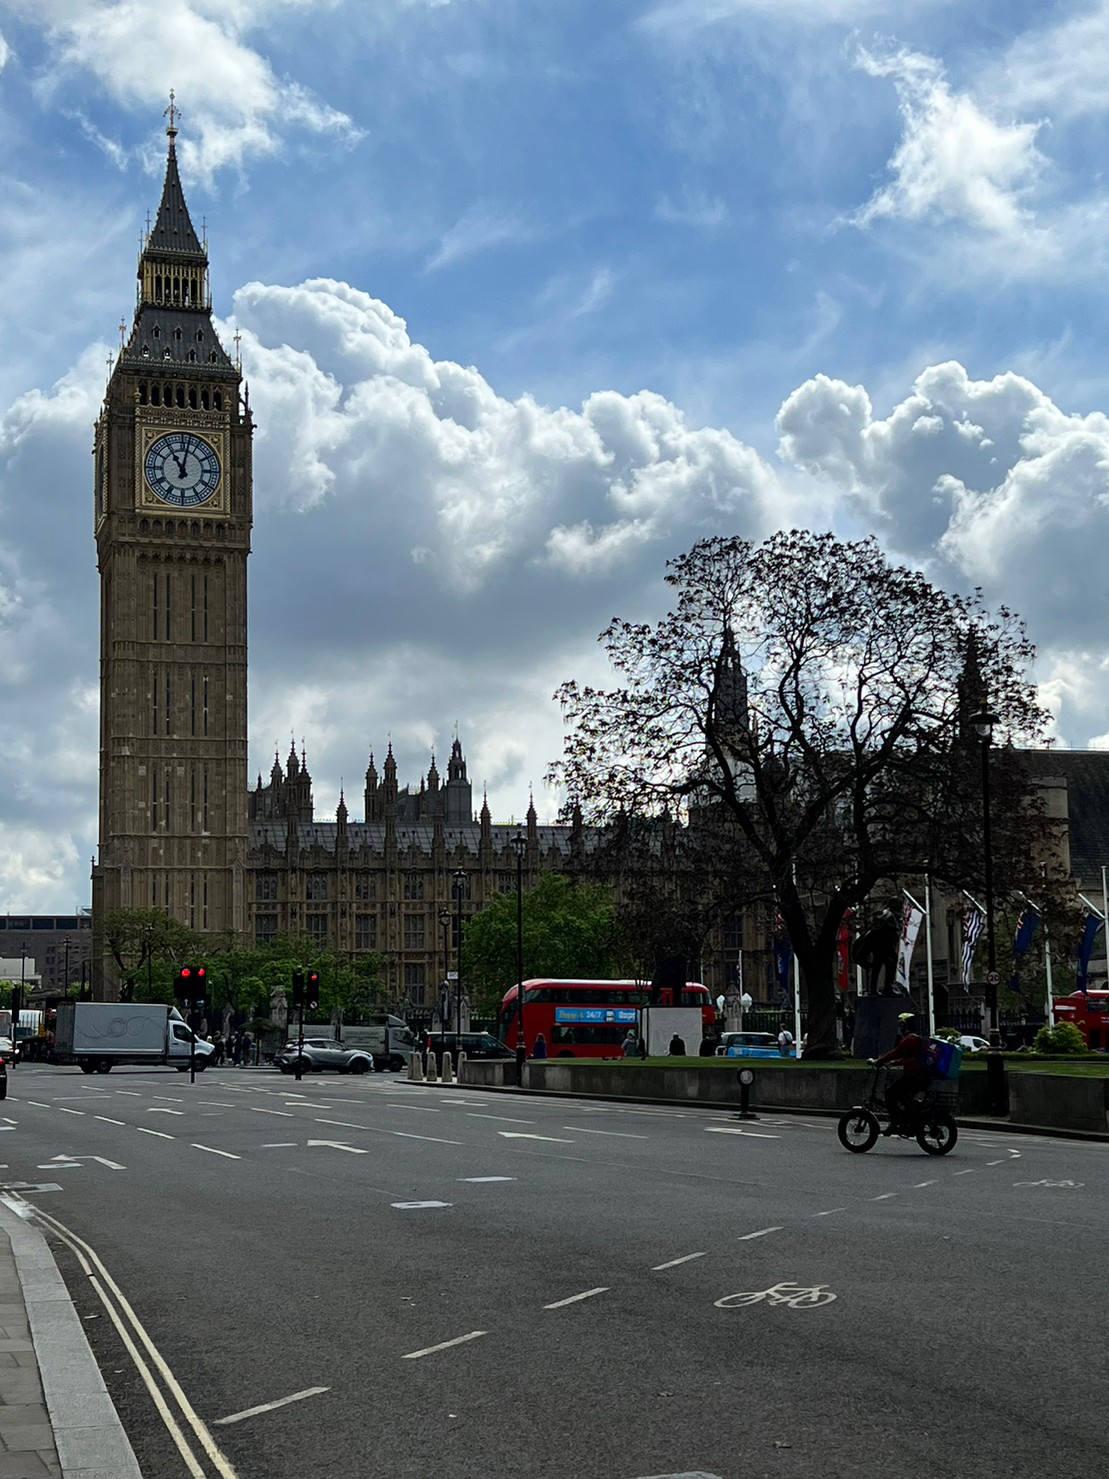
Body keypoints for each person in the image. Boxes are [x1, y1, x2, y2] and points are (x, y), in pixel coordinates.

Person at [872, 1011, 931, 1133]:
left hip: (914, 1077)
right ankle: (908, 1120)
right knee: (903, 1096)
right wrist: (893, 1063)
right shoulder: (917, 1039)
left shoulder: (908, 1040)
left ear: (905, 1026)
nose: (900, 1028)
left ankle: (895, 1122)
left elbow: (896, 1053)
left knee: (890, 1094)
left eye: (901, 1025)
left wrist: (879, 1061)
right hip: (921, 1076)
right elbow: (909, 1058)